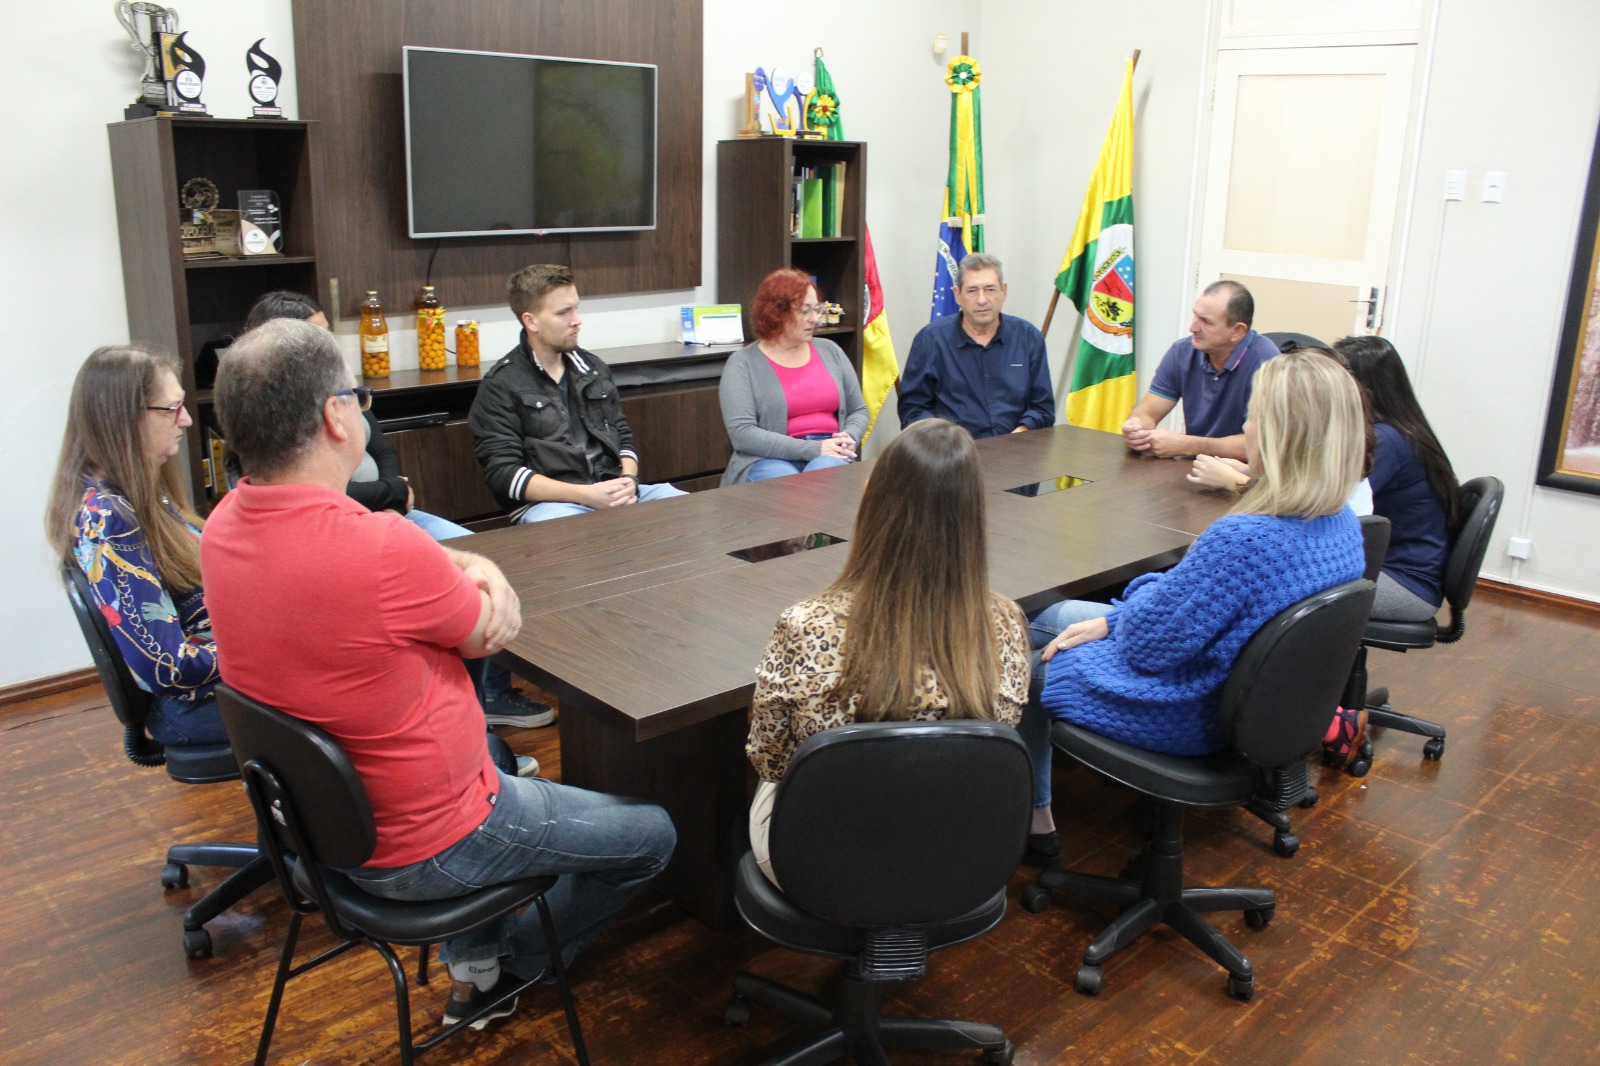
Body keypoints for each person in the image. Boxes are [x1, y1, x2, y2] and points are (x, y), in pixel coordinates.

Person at [202, 318, 676, 1029]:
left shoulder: (223, 529)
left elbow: (396, 578)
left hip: (320, 834)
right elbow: (490, 630)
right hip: (436, 840)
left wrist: (450, 563)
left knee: (487, 745)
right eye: (357, 395)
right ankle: (508, 969)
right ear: (336, 416)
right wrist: (482, 561)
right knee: (657, 834)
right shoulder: (381, 546)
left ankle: (476, 960)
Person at [1023, 349, 1366, 863]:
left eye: (1256, 414)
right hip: (1253, 707)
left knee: (1024, 657)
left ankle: (1037, 822)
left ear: (1281, 434)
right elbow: (1183, 612)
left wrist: (1126, 611)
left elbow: (1147, 647)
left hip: (1189, 709)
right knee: (1057, 616)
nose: (1247, 423)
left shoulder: (1245, 539)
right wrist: (1117, 615)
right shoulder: (1343, 524)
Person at [243, 290, 553, 730]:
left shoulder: (340, 392)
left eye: (327, 335)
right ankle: (469, 709)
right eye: (314, 338)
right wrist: (390, 494)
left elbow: (383, 446)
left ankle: (491, 694)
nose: (327, 348)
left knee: (484, 554)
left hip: (390, 515)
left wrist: (394, 488)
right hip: (372, 523)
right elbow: (326, 495)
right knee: (471, 588)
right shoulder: (282, 420)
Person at [745, 418, 1030, 884]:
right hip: (961, 856)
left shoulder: (803, 625)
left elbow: (770, 760)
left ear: (872, 502)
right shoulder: (1007, 624)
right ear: (974, 513)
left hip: (820, 866)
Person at [47, 346, 223, 746]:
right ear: (126, 418)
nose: (188, 419)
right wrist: (265, 643)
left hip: (218, 685)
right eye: (172, 408)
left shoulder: (136, 493)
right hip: (197, 705)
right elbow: (166, 667)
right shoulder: (111, 519)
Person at [469, 263, 686, 522]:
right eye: (563, 312)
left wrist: (628, 479)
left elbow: (623, 437)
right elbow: (504, 474)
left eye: (576, 308)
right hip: (551, 504)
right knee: (568, 529)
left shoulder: (593, 369)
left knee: (681, 506)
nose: (577, 320)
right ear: (531, 321)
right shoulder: (501, 384)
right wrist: (585, 495)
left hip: (610, 488)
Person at [1333, 335, 1463, 622]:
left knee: (1280, 587)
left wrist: (1240, 482)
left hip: (1403, 585)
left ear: (1361, 385)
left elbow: (1331, 504)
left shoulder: (1386, 440)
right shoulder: (1395, 431)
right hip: (1389, 569)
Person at [719, 269, 868, 485]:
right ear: (776, 312)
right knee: (793, 486)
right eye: (805, 311)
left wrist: (849, 436)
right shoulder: (743, 363)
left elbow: (858, 410)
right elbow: (743, 434)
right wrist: (812, 449)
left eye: (817, 309)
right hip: (768, 458)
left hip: (830, 451)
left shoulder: (831, 351)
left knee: (823, 473)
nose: (815, 319)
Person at [898, 252, 1055, 439]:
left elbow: (1043, 409)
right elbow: (913, 411)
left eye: (990, 289)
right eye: (972, 290)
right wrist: (945, 442)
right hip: (952, 456)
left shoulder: (1028, 338)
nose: (982, 300)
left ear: (1003, 292)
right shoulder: (931, 340)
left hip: (1019, 451)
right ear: (957, 295)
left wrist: (1018, 435)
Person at [1121, 280, 1278, 460]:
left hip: (1244, 476)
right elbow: (1148, 411)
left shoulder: (1267, 364)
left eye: (1205, 321)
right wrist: (1137, 428)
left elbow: (1261, 446)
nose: (1193, 327)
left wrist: (1188, 445)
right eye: (1195, 316)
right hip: (1196, 468)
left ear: (1237, 331)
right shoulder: (1182, 352)